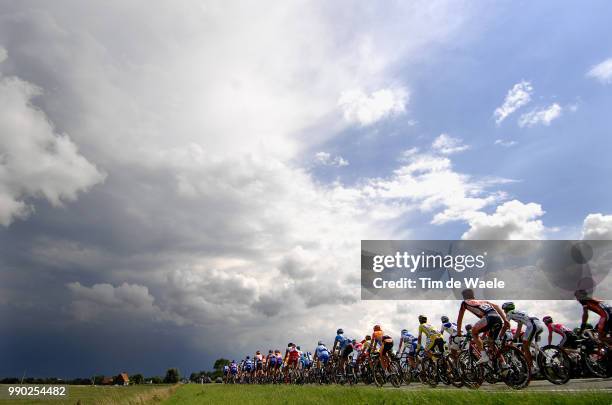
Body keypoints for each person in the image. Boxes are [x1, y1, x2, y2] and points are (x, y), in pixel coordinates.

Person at [456, 288, 511, 366]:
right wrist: (505, 320)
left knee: (473, 332)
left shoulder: (464, 303)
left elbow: (459, 319)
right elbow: (497, 307)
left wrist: (458, 332)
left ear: (464, 297)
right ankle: (504, 365)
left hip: (488, 318)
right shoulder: (483, 301)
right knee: (491, 343)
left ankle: (484, 356)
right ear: (473, 295)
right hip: (498, 318)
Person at [502, 302, 544, 373]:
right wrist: (514, 338)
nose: (504, 311)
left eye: (504, 310)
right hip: (539, 324)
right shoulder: (519, 313)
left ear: (506, 309)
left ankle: (531, 367)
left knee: (525, 346)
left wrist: (500, 335)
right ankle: (538, 355)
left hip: (532, 325)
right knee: (528, 343)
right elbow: (519, 329)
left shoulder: (510, 313)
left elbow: (505, 325)